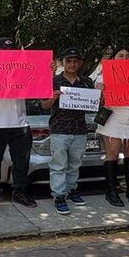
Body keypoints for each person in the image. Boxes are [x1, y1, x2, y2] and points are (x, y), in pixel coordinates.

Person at [0, 37, 35, 212]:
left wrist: (46, 71)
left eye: (10, 52)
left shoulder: (23, 72)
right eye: (2, 51)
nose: (6, 55)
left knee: (22, 163)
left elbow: (38, 87)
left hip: (19, 124)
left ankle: (20, 192)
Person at [40, 48, 95, 214]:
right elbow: (44, 106)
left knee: (75, 164)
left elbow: (93, 105)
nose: (72, 64)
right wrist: (53, 98)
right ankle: (59, 196)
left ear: (80, 63)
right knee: (58, 165)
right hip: (59, 129)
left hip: (79, 130)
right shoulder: (53, 81)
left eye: (75, 61)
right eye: (69, 60)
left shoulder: (86, 82)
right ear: (62, 62)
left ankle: (72, 190)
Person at [95, 47, 129, 207]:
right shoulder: (103, 76)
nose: (124, 58)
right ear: (113, 59)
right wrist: (101, 91)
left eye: (128, 56)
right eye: (120, 55)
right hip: (113, 118)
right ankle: (111, 191)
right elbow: (95, 99)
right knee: (113, 155)